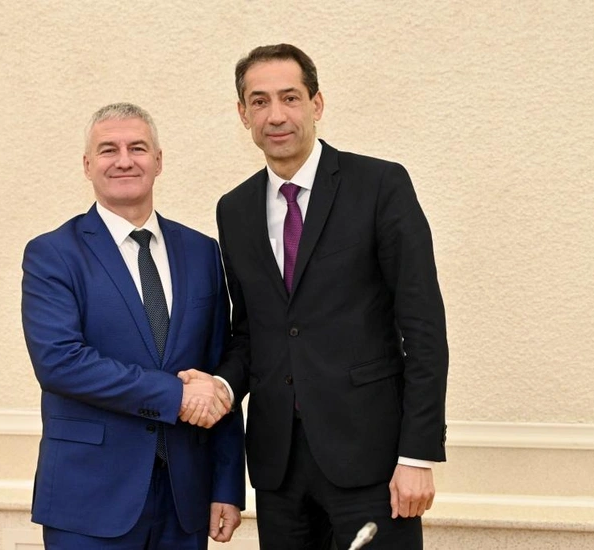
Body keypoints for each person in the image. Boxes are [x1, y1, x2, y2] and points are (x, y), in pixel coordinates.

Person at [181, 44, 448, 548]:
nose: (276, 115)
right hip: (278, 469)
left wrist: (417, 455)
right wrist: (220, 385)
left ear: (316, 104)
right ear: (243, 114)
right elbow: (252, 332)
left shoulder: (380, 185)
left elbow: (424, 327)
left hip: (373, 462)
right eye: (259, 101)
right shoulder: (234, 209)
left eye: (290, 98)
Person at [21, 102, 245, 550]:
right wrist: (176, 396)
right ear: (88, 165)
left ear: (158, 161)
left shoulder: (202, 252)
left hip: (185, 499)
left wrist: (226, 485)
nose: (124, 160)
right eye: (108, 150)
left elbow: (217, 365)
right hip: (89, 499)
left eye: (137, 148)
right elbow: (61, 363)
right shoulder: (53, 254)